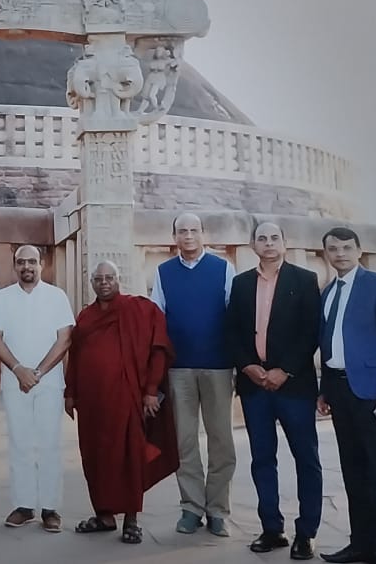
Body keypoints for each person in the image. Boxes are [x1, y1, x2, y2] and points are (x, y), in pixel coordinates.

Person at [226, 222, 322, 560]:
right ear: (253, 245)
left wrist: (285, 370)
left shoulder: (304, 280)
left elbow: (311, 331)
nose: (268, 243)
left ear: (285, 242)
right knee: (262, 459)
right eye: (262, 238)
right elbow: (232, 331)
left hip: (294, 385)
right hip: (255, 387)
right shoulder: (241, 284)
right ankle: (271, 528)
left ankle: (306, 533)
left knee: (306, 458)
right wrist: (247, 366)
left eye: (274, 238)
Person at [66, 260, 178, 546]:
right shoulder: (86, 317)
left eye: (109, 278)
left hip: (126, 400)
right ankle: (104, 515)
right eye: (99, 279)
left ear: (119, 279)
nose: (104, 283)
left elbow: (159, 350)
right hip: (92, 404)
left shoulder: (139, 309)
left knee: (129, 458)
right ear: (92, 283)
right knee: (95, 458)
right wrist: (70, 392)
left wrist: (151, 390)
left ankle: (131, 520)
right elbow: (75, 357)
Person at [317, 227, 376, 564]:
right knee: (353, 470)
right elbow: (330, 343)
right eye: (333, 249)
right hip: (340, 391)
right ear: (326, 253)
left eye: (346, 247)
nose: (340, 254)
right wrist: (325, 390)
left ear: (359, 250)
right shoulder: (328, 292)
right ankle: (361, 544)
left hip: (372, 392)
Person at [150, 211, 237, 536]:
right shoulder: (163, 272)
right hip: (179, 369)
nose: (188, 236)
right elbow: (156, 319)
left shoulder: (223, 268)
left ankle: (217, 510)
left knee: (221, 440)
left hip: (218, 366)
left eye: (194, 230)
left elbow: (235, 315)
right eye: (182, 231)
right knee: (184, 441)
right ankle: (191, 508)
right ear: (174, 236)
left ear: (203, 234)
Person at [0, 245, 74, 532]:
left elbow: (65, 339)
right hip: (15, 382)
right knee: (20, 443)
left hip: (48, 383)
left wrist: (38, 372)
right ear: (15, 266)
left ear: (41, 264)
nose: (27, 267)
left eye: (32, 262)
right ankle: (24, 506)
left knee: (49, 444)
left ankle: (50, 508)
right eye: (21, 262)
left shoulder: (56, 296)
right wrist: (17, 370)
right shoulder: (3, 297)